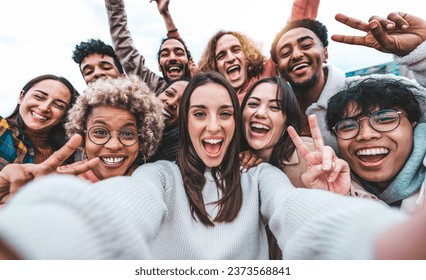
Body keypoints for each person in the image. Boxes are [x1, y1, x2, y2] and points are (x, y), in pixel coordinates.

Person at [0, 72, 419, 260]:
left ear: (237, 123)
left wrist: (372, 238)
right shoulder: (158, 177)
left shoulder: (261, 177)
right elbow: (115, 210)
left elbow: (298, 214)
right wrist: (31, 230)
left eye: (225, 113)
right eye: (200, 113)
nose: (214, 126)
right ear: (185, 122)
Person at [270, 15, 426, 152]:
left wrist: (421, 53)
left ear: (325, 54)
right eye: (285, 53)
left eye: (306, 46)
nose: (296, 55)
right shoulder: (274, 114)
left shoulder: (373, 90)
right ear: (278, 70)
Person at [325, 77, 426, 212]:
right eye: (348, 126)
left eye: (384, 119)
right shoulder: (336, 188)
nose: (366, 135)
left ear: (413, 126)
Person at [196, 1, 320, 104]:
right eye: (221, 55)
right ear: (214, 65)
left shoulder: (265, 75)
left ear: (247, 56)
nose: (230, 58)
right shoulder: (210, 96)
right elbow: (178, 52)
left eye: (236, 50)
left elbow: (297, 21)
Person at [62, 75, 164, 182]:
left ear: (142, 139)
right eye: (100, 132)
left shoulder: (152, 182)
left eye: (128, 134)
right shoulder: (60, 178)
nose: (114, 146)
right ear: (83, 137)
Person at [104, 0, 193, 96]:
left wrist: (166, 14)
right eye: (165, 54)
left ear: (190, 63)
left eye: (179, 53)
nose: (172, 58)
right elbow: (124, 47)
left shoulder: (204, 85)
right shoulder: (155, 86)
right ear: (159, 66)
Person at [241, 76, 312, 188]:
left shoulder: (310, 154)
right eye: (253, 104)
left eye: (274, 107)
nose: (260, 113)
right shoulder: (233, 156)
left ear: (287, 122)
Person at [0, 74, 79, 170]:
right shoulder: (2, 129)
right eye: (39, 97)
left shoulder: (67, 157)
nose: (44, 108)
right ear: (21, 97)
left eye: (58, 105)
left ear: (65, 115)